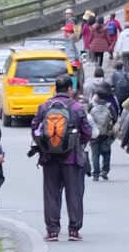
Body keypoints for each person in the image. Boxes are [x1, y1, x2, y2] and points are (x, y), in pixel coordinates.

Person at [30, 75, 93, 242]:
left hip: (49, 158)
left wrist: (45, 146)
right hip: (72, 159)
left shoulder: (44, 107)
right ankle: (74, 230)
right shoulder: (77, 108)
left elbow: (35, 129)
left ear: (55, 89)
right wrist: (78, 144)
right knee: (74, 194)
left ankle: (52, 231)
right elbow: (87, 132)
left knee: (51, 194)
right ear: (70, 89)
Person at [87, 83, 119, 182]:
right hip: (106, 133)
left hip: (94, 133)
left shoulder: (91, 105)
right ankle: (104, 171)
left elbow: (88, 118)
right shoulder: (109, 106)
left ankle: (96, 173)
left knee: (95, 154)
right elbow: (115, 118)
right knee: (106, 152)